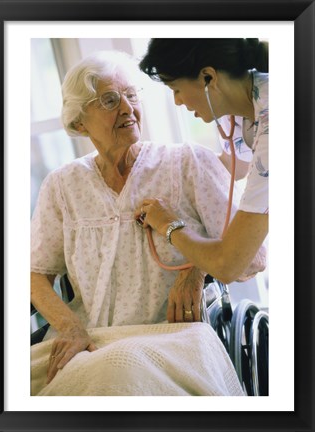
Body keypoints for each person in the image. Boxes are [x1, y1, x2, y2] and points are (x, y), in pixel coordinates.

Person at [30, 50, 265, 396]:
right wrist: (69, 326)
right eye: (110, 100)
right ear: (80, 123)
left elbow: (252, 257)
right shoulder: (63, 185)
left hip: (172, 340)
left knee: (117, 371)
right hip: (89, 341)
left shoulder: (187, 163)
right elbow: (34, 274)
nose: (127, 108)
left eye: (131, 95)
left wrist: (196, 270)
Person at [137, 38, 268, 286]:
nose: (176, 101)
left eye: (176, 89)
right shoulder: (237, 113)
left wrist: (168, 224)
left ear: (208, 77)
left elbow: (227, 265)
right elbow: (235, 166)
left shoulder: (275, 125)